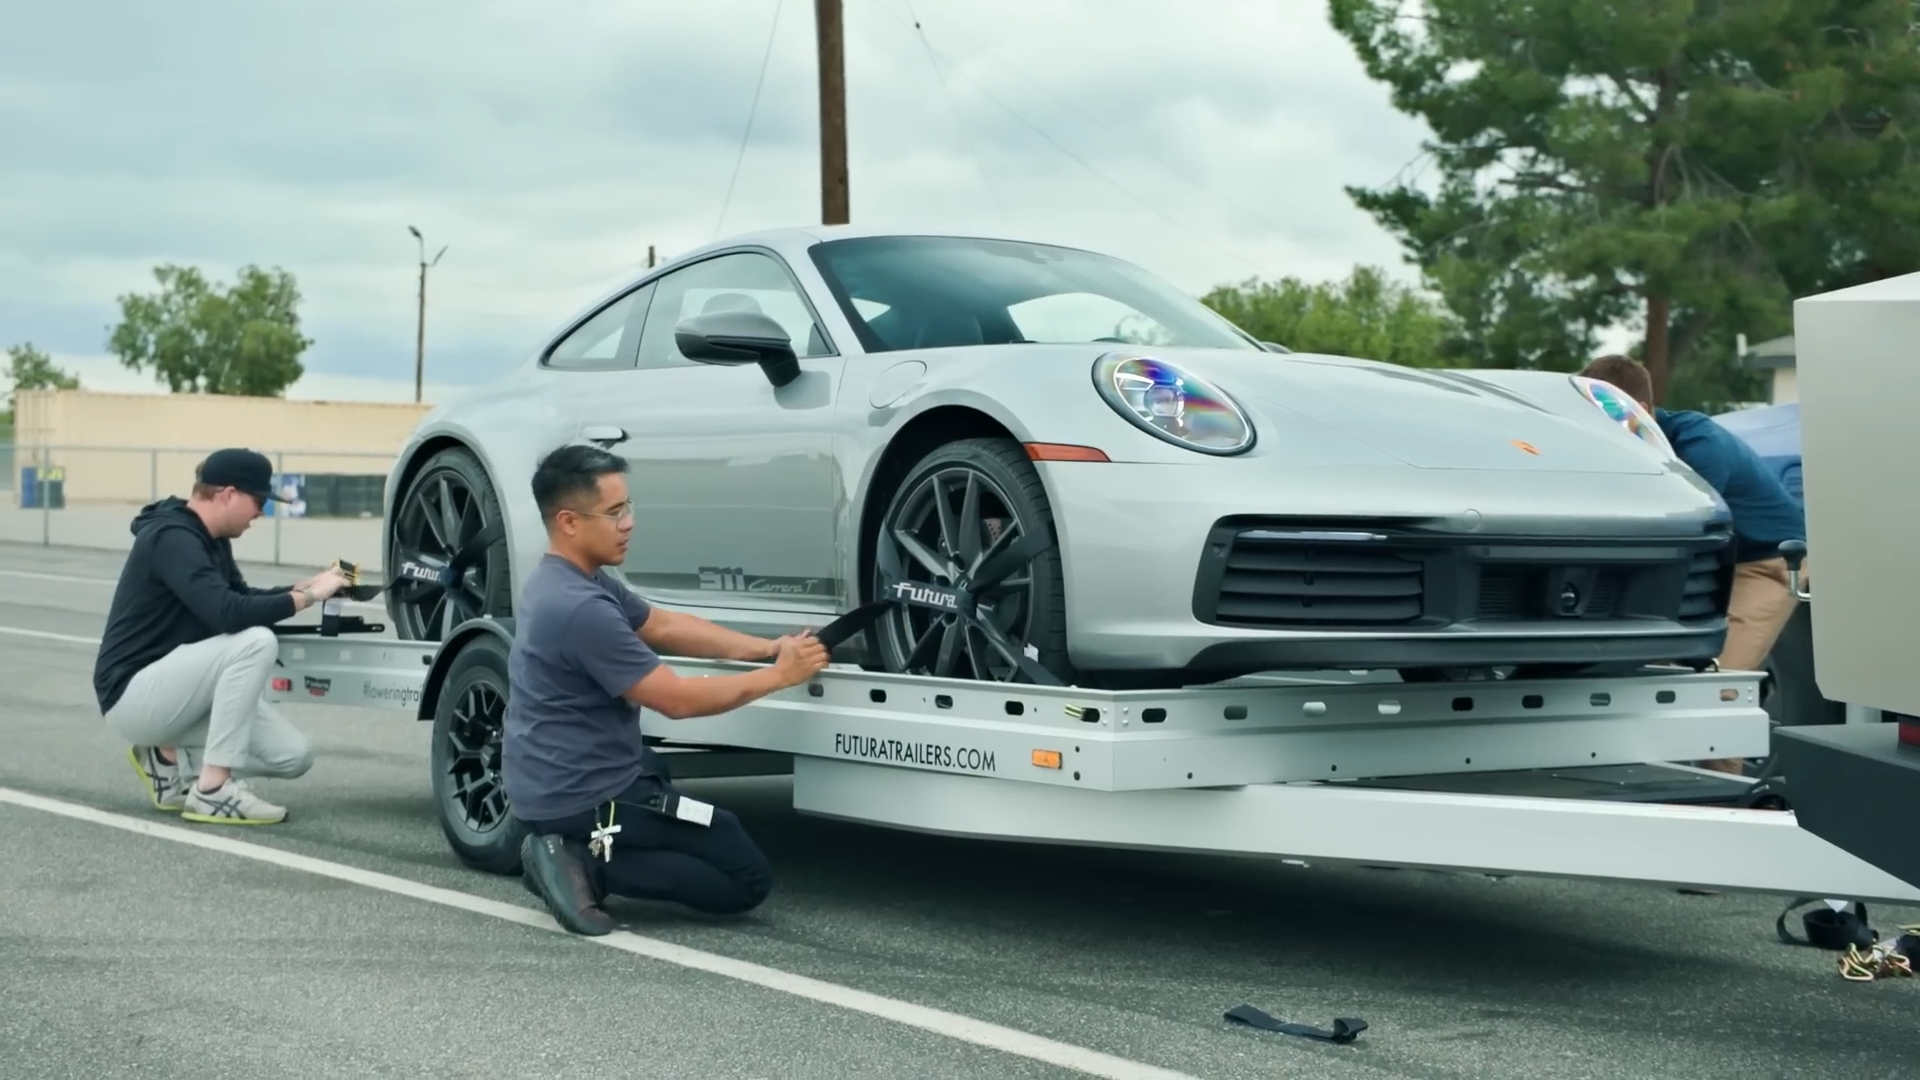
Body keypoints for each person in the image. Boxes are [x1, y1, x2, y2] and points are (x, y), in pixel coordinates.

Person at [506, 442, 829, 936]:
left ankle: (583, 846)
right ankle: (581, 862)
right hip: (587, 798)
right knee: (744, 875)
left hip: (568, 785)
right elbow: (675, 700)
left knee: (660, 776)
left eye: (628, 507)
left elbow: (663, 624)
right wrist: (781, 676)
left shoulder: (566, 579)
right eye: (615, 512)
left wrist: (767, 648)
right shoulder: (579, 608)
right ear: (569, 521)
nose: (629, 522)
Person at [93, 448, 353, 824]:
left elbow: (238, 598)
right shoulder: (172, 538)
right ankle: (212, 789)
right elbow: (227, 614)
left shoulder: (211, 538)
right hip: (133, 695)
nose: (261, 512)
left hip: (179, 692)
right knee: (256, 641)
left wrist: (303, 587)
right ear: (228, 494)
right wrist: (306, 597)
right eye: (259, 500)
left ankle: (166, 757)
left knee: (293, 756)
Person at [1579, 355, 1808, 772]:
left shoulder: (1698, 444)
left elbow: (1684, 529)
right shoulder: (1625, 443)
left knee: (1714, 687)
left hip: (1766, 564)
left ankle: (1722, 808)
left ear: (1641, 414)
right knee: (1649, 682)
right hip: (1706, 566)